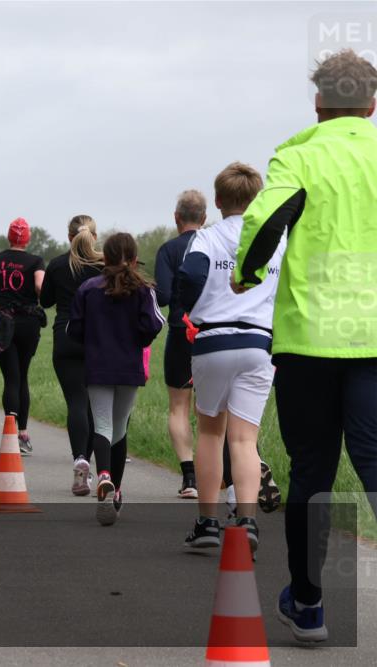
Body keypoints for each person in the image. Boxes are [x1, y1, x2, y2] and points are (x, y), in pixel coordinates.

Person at [232, 50, 377, 643]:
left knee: (312, 472)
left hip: (309, 343)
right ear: (372, 104)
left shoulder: (299, 154)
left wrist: (246, 272)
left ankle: (310, 605)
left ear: (317, 102)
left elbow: (267, 223)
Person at [177, 162, 285, 554]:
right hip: (259, 344)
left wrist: (187, 309)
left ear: (218, 200)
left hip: (213, 341)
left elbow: (189, 276)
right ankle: (247, 521)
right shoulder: (277, 239)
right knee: (245, 438)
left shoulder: (207, 237)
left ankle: (207, 522)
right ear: (257, 198)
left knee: (211, 432)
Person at [68, 233, 164, 526]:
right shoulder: (144, 290)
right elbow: (155, 324)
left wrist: (92, 342)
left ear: (104, 258)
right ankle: (116, 490)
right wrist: (136, 340)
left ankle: (104, 475)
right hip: (129, 367)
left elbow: (73, 329)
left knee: (102, 424)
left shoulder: (88, 288)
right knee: (120, 427)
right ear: (135, 259)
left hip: (98, 365)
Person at [41, 215, 104, 495]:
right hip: (98, 339)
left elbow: (45, 301)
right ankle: (89, 466)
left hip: (65, 336)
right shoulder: (103, 265)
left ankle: (79, 458)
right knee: (94, 405)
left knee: (76, 401)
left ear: (69, 237)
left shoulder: (56, 264)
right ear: (95, 236)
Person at [155, 190, 207, 498]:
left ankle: (189, 477)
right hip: (211, 332)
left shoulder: (168, 250)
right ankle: (215, 473)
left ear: (177, 219)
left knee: (178, 406)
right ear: (204, 218)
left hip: (179, 331)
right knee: (210, 410)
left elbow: (161, 296)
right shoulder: (214, 244)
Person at [0, 217, 46, 454]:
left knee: (11, 377)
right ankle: (23, 433)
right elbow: (40, 287)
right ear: (27, 238)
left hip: (3, 322)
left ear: (9, 236)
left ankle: (10, 434)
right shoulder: (36, 261)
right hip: (29, 323)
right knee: (23, 376)